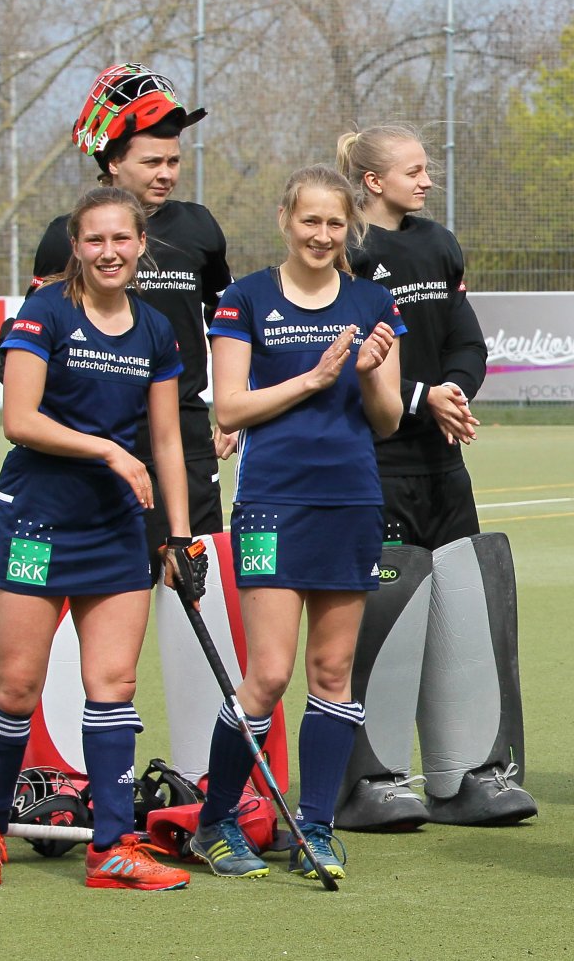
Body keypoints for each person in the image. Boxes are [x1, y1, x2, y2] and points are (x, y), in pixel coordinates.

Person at [192, 165, 405, 882]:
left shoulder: (374, 301)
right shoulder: (244, 298)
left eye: (334, 223)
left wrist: (373, 370)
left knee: (332, 672)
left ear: (350, 229)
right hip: (272, 502)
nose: (321, 235)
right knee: (270, 673)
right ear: (286, 219)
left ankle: (315, 822)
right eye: (309, 221)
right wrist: (313, 378)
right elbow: (228, 409)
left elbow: (389, 418)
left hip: (351, 501)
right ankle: (215, 818)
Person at [0, 187, 194, 890]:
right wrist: (108, 450)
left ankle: (112, 846)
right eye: (95, 240)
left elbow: (165, 439)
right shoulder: (44, 314)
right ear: (76, 246)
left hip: (114, 529)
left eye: (121, 240)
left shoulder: (155, 330)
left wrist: (181, 533)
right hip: (36, 520)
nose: (109, 252)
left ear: (141, 246)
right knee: (17, 684)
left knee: (113, 684)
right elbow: (20, 418)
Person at [333, 125, 535, 828]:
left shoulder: (438, 243)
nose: (427, 180)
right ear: (373, 182)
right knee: (384, 615)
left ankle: (470, 771)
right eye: (414, 171)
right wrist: (423, 399)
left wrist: (454, 389)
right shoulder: (350, 255)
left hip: (443, 464)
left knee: (461, 598)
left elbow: (467, 340)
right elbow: (357, 355)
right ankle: (370, 780)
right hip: (376, 462)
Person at [2, 64, 230, 560]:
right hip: (94, 438)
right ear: (112, 162)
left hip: (184, 437)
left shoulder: (200, 228)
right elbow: (20, 350)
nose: (166, 173)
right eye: (151, 162)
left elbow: (227, 323)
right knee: (96, 581)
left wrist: (233, 408)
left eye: (173, 160)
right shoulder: (66, 235)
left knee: (197, 586)